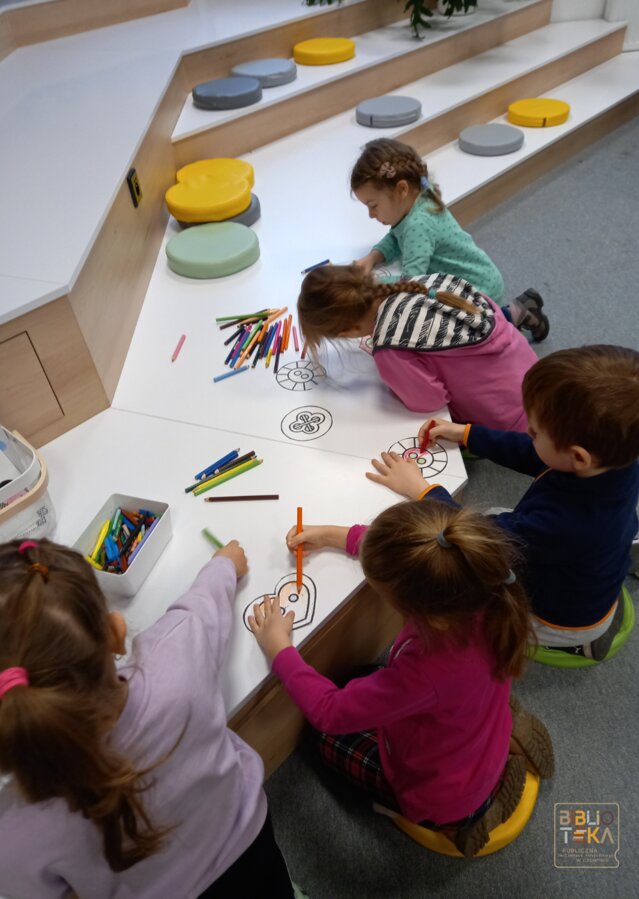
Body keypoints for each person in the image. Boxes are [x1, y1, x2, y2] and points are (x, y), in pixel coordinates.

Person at [248, 500, 554, 858]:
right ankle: (504, 743)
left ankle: (466, 819)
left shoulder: (427, 669)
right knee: (362, 677)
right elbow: (408, 553)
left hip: (437, 792)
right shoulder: (478, 590)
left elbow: (330, 713)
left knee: (321, 735)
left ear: (420, 608)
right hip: (472, 731)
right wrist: (331, 535)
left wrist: (280, 649)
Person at [0, 538, 295, 899]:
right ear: (116, 632)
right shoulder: (175, 657)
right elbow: (201, 605)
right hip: (250, 850)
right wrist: (225, 564)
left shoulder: (12, 829)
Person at [373, 345, 639, 661]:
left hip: (558, 618)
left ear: (578, 456)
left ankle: (571, 642)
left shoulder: (568, 523)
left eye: (535, 431)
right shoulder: (615, 459)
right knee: (498, 520)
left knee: (463, 590)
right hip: (580, 570)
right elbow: (532, 452)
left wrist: (422, 490)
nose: (528, 432)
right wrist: (468, 434)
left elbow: (479, 537)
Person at [351, 137, 549, 341]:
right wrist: (373, 257)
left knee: (467, 332)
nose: (371, 215)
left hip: (478, 289)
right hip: (480, 277)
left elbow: (411, 282)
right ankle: (517, 309)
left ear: (402, 189)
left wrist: (374, 282)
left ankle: (519, 312)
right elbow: (396, 235)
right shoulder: (419, 195)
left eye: (373, 206)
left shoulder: (418, 225)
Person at [298, 266, 538, 430]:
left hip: (511, 420)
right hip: (536, 377)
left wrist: (394, 384)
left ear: (348, 332)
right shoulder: (419, 284)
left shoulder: (390, 346)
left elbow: (429, 402)